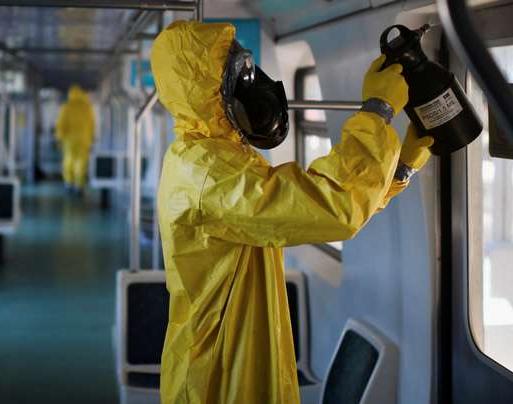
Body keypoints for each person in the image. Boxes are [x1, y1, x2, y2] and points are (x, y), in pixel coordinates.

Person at [150, 21, 433, 403]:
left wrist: (398, 172)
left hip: (237, 360)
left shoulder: (217, 158)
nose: (254, 88)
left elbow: (308, 208)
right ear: (206, 92)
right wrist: (377, 111)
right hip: (215, 380)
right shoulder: (209, 175)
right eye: (239, 79)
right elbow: (332, 205)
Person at [55, 85, 95, 192]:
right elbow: (92, 125)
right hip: (84, 139)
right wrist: (92, 139)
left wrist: (59, 138)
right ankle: (79, 184)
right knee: (81, 161)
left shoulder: (66, 107)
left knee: (69, 160)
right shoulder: (87, 108)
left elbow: (61, 124)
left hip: (69, 140)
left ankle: (69, 182)